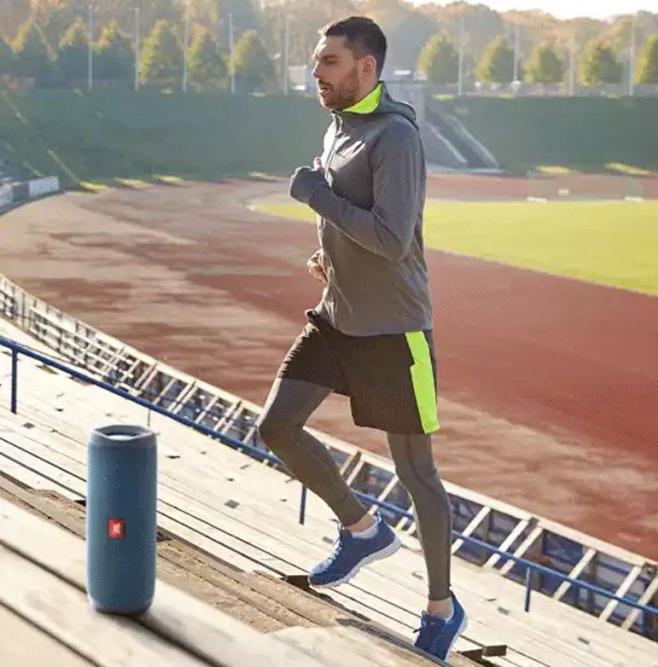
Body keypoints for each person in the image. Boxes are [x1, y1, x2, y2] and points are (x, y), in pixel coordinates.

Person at [256, 15, 467, 661]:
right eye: (316, 62)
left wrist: (315, 196)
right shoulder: (339, 124)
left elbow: (391, 238)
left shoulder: (395, 136)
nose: (315, 74)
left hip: (391, 330)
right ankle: (362, 528)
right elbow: (353, 230)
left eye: (328, 63)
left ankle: (441, 606)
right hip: (337, 314)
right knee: (276, 427)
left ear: (365, 68)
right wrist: (327, 257)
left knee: (417, 473)